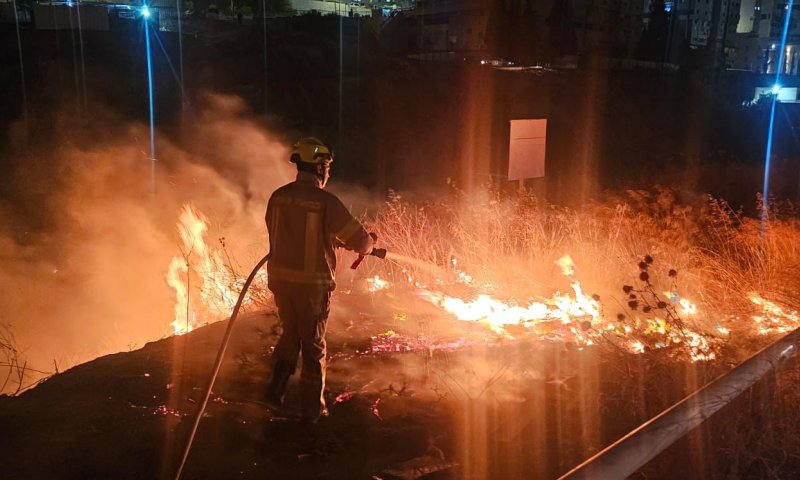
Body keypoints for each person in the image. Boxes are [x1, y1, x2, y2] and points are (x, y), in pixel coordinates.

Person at [264, 137, 375, 424]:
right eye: (327, 167)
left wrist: (330, 240)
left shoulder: (278, 197)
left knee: (290, 335)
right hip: (312, 287)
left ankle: (273, 396)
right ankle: (312, 411)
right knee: (313, 346)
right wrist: (370, 243)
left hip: (280, 282)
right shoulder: (326, 201)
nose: (328, 173)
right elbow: (361, 242)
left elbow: (287, 234)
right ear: (321, 168)